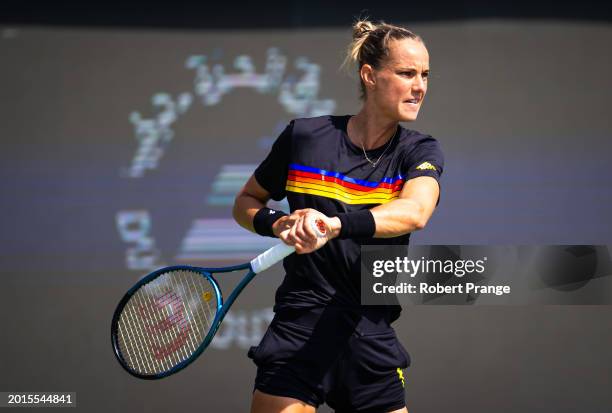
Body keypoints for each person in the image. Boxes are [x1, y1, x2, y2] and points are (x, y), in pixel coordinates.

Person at [233, 19, 443, 413]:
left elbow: (415, 212)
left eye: (425, 75)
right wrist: (278, 223)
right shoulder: (306, 137)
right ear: (370, 76)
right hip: (300, 326)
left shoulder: (420, 151)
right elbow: (246, 200)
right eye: (406, 73)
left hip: (370, 333)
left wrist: (335, 225)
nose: (420, 86)